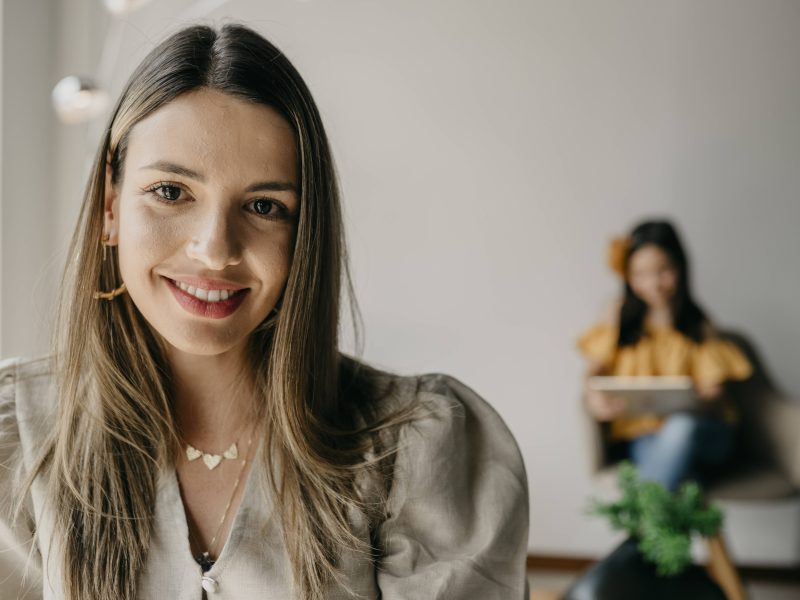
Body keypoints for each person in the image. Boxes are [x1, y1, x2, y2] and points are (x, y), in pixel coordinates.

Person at [0, 24, 529, 600]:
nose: (215, 248)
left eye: (264, 205)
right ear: (109, 207)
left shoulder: (416, 448)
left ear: (305, 232)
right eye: (171, 192)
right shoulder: (20, 439)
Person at [577, 220, 753, 491]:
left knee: (681, 428)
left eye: (664, 271)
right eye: (640, 274)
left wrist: (691, 398)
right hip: (644, 437)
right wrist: (594, 397)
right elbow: (592, 372)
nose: (654, 284)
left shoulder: (698, 324)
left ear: (680, 267)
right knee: (683, 475)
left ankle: (640, 529)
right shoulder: (617, 317)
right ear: (627, 275)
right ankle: (682, 492)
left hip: (705, 434)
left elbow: (714, 390)